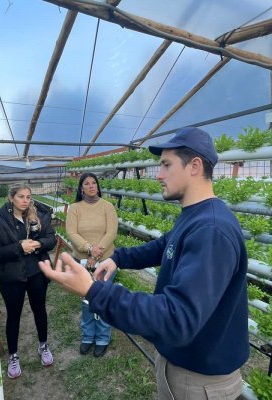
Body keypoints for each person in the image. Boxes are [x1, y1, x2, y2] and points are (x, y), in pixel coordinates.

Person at [40, 127, 249, 399]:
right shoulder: (194, 216)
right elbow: (164, 246)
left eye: (166, 165)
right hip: (185, 365)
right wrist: (118, 258)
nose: (159, 175)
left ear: (195, 166)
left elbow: (177, 318)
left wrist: (93, 291)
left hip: (199, 381)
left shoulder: (211, 229)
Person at [0, 184, 57, 379]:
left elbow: (52, 238)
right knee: (14, 315)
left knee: (40, 310)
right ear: (11, 198)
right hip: (12, 276)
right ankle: (13, 356)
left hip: (36, 272)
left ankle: (43, 345)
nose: (25, 200)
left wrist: (39, 243)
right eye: (20, 196)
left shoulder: (39, 217)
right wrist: (19, 247)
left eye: (28, 196)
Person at [66, 172, 118, 358]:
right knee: (87, 300)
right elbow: (71, 232)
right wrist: (89, 249)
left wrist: (96, 254)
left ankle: (103, 338)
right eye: (86, 183)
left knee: (103, 298)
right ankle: (88, 337)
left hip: (106, 262)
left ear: (98, 186)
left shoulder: (108, 207)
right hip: (82, 261)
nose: (91, 186)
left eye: (93, 183)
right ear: (81, 188)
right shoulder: (75, 208)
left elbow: (111, 232)